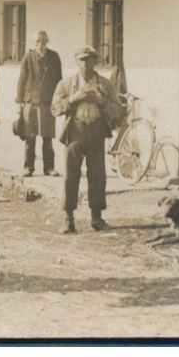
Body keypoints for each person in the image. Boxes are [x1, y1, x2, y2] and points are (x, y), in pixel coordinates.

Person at [51, 45, 127, 234]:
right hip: (75, 132)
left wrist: (102, 101)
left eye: (89, 59)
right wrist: (73, 99)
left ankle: (97, 218)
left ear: (95, 62)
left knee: (97, 176)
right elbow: (54, 109)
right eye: (82, 60)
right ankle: (68, 219)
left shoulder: (106, 84)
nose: (85, 64)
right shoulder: (67, 84)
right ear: (76, 62)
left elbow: (118, 111)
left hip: (96, 132)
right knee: (71, 176)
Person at [15, 30, 62, 177]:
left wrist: (58, 100)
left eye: (43, 41)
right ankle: (28, 167)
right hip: (31, 103)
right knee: (30, 137)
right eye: (37, 42)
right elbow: (21, 80)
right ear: (33, 43)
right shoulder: (28, 58)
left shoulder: (54, 57)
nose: (40, 45)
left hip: (48, 103)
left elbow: (59, 81)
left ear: (47, 40)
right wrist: (19, 103)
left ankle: (49, 168)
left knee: (47, 137)